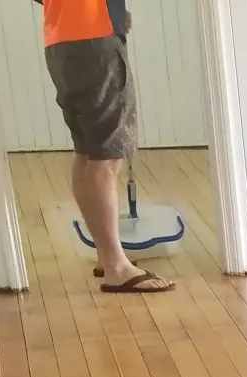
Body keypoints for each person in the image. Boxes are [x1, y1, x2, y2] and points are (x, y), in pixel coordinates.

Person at [38, 0, 174, 293]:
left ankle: (106, 254)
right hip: (94, 38)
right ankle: (115, 266)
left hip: (60, 41)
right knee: (106, 156)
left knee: (87, 151)